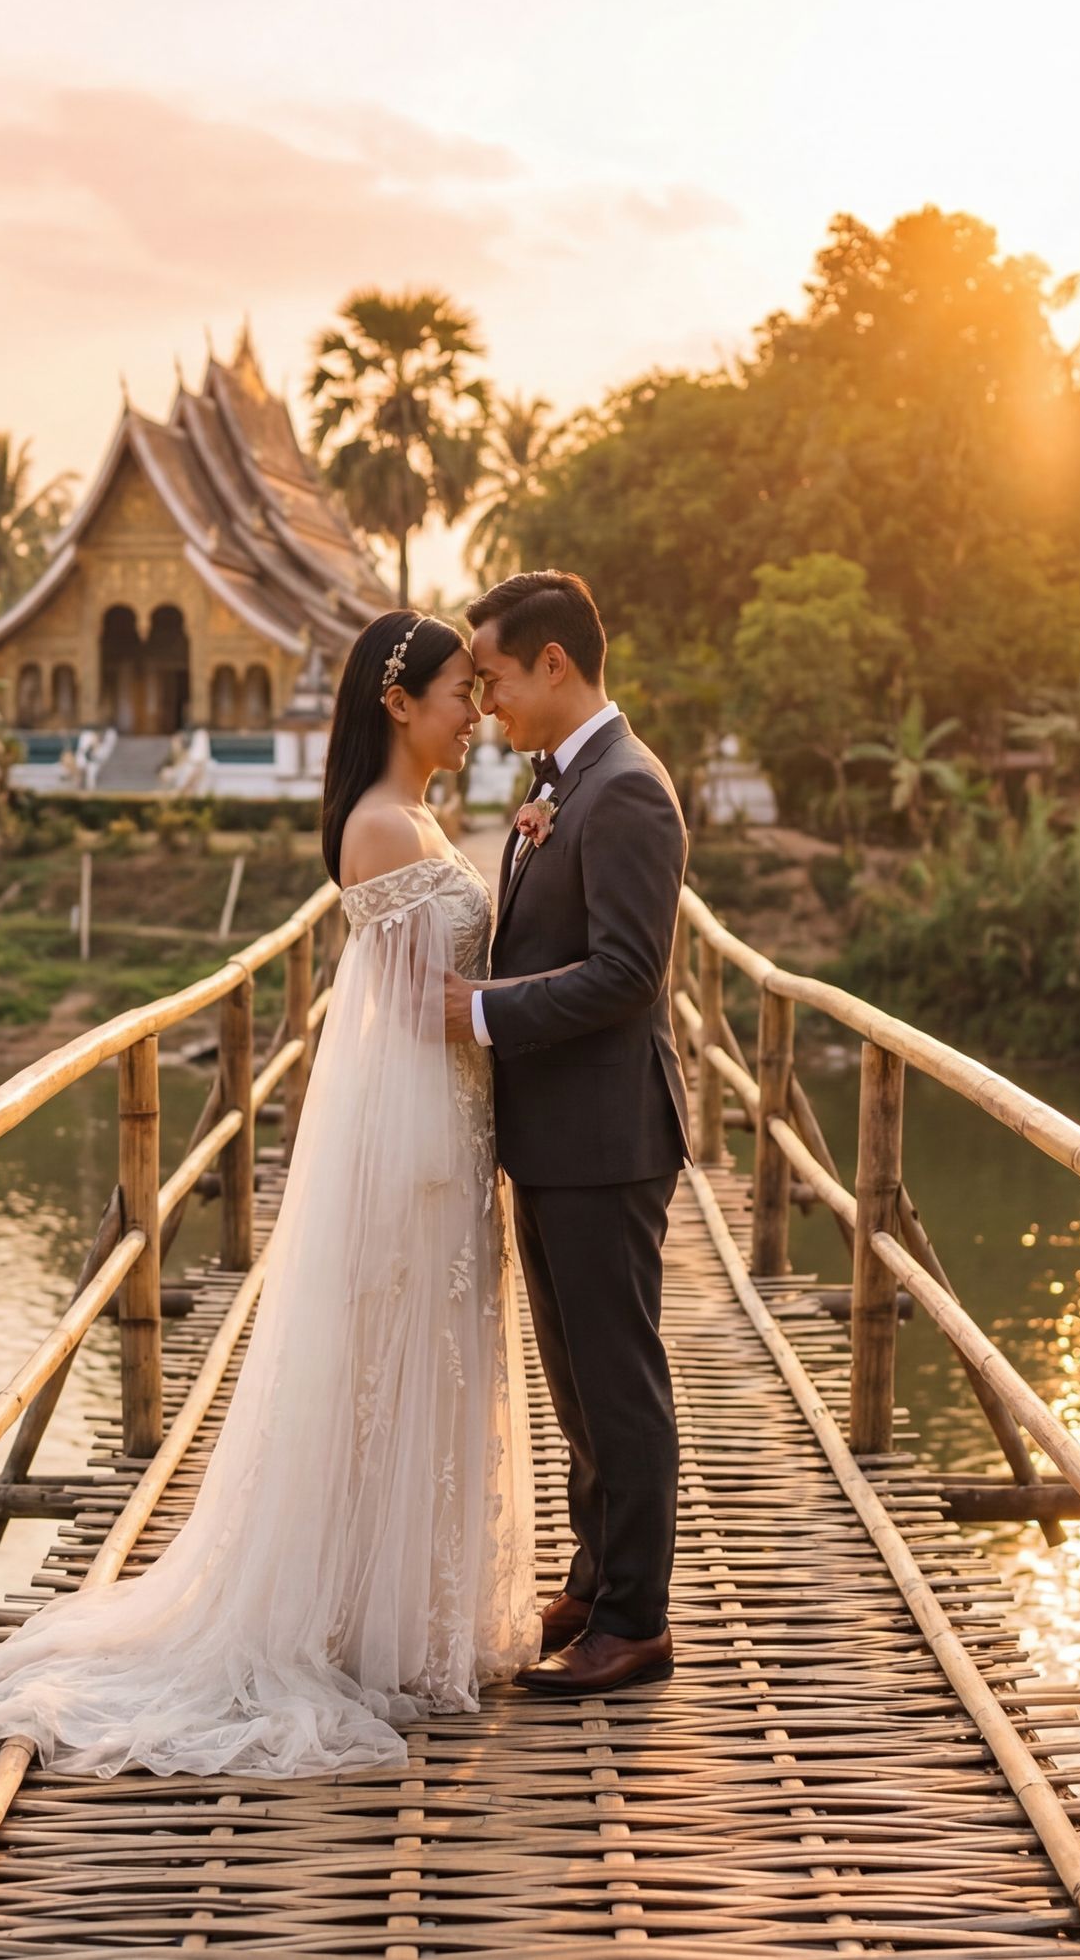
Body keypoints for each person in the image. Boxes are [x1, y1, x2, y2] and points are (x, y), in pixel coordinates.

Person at [0, 609, 537, 1778]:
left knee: (416, 1363)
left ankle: (394, 1613)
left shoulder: (414, 820)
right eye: (461, 689)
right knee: (393, 1361)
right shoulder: (384, 828)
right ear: (398, 703)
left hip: (441, 1119)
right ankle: (365, 1624)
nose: (476, 710)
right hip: (415, 1136)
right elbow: (423, 1010)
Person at [445, 569, 693, 1696]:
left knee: (619, 1379)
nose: (486, 700)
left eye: (492, 676)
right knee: (577, 1382)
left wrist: (481, 1012)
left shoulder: (628, 789)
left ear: (554, 663)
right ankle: (596, 1580)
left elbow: (630, 974)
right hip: (556, 1136)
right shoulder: (566, 781)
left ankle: (637, 1620)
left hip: (606, 1136)